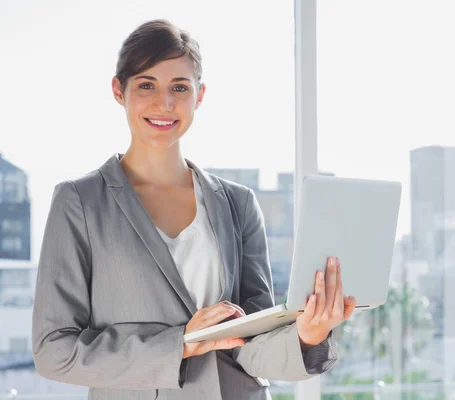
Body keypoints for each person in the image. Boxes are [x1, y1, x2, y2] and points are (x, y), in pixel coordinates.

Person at [31, 19, 357, 400]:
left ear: (199, 95)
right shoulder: (79, 202)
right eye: (146, 85)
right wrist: (179, 343)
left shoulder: (238, 203)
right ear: (119, 90)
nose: (164, 103)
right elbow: (54, 351)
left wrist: (308, 335)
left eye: (180, 87)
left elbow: (251, 344)